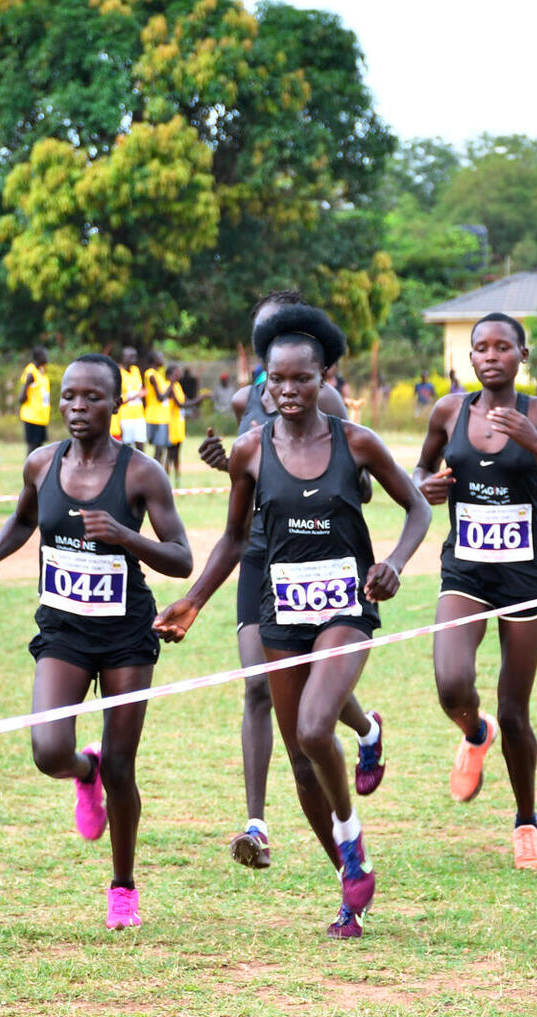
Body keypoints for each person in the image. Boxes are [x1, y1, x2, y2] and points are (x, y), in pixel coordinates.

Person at [158, 304, 430, 938]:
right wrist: (194, 600)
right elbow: (232, 540)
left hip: (344, 607)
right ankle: (349, 879)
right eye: (275, 380)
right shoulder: (250, 452)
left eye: (300, 380)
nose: (286, 391)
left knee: (314, 727)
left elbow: (416, 508)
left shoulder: (354, 440)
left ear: (324, 378)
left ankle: (354, 845)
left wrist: (391, 562)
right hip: (280, 610)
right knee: (302, 759)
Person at [0, 352, 193, 930]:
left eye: (91, 397)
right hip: (64, 630)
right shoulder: (42, 463)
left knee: (122, 764)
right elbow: (23, 521)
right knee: (48, 750)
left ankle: (123, 887)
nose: (77, 407)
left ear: (116, 404)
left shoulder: (141, 474)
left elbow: (183, 559)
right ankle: (80, 774)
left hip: (126, 636)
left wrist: (122, 536)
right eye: (68, 397)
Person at [194, 290, 389, 873]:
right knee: (260, 685)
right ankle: (258, 820)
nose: (280, 383)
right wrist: (223, 463)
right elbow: (244, 487)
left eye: (293, 371)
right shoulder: (241, 405)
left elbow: (358, 483)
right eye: (267, 362)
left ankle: (363, 729)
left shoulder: (331, 405)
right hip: (262, 558)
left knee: (312, 712)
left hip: (327, 564)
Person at [412, 313, 537, 869]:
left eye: (502, 347)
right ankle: (473, 731)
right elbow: (420, 469)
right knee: (451, 683)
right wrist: (427, 485)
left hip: (524, 573)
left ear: (521, 356)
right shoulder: (448, 410)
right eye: (480, 348)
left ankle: (527, 820)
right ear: (471, 358)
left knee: (516, 711)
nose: (491, 356)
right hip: (465, 565)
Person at [19, 346, 52, 452]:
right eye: (45, 355)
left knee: (39, 447)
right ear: (38, 357)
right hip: (32, 416)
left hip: (41, 417)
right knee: (32, 447)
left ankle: (38, 468)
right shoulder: (31, 373)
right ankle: (29, 468)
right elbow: (21, 398)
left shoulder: (42, 371)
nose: (47, 357)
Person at [114, 347, 147, 451]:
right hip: (126, 416)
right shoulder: (119, 373)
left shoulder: (136, 370)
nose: (134, 359)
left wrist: (142, 393)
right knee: (126, 446)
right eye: (131, 356)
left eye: (135, 356)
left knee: (140, 445)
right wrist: (135, 396)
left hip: (139, 414)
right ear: (123, 358)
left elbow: (140, 389)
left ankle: (141, 467)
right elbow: (117, 398)